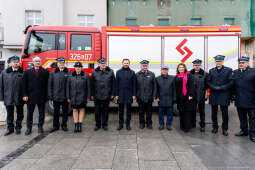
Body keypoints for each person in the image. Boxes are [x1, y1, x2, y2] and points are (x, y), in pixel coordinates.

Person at [22, 56, 49, 135]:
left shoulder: (45, 72)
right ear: (33, 62)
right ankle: (28, 128)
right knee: (30, 113)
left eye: (39, 61)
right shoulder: (27, 72)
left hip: (42, 96)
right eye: (36, 61)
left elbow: (47, 85)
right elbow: (24, 85)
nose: (37, 62)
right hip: (30, 97)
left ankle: (40, 127)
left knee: (41, 113)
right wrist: (24, 95)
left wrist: (47, 95)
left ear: (41, 62)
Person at [207, 55, 233, 136]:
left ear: (223, 61)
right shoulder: (211, 71)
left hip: (224, 94)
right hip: (214, 94)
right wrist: (213, 87)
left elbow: (231, 82)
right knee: (213, 113)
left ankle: (225, 129)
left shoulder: (228, 70)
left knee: (224, 113)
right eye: (217, 61)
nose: (218, 63)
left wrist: (222, 87)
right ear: (215, 62)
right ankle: (215, 127)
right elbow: (208, 81)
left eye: (220, 61)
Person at [232, 57, 255, 142]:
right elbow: (233, 86)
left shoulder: (253, 71)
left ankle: (253, 134)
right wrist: (232, 96)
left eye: (243, 63)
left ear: (247, 63)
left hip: (251, 100)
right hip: (239, 99)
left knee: (252, 118)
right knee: (242, 117)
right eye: (239, 63)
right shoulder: (235, 72)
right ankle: (244, 131)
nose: (241, 64)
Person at [0, 56, 24, 136]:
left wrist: (25, 95)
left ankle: (18, 128)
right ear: (10, 63)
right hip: (8, 96)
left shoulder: (23, 72)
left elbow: (25, 86)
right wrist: (1, 97)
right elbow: (1, 86)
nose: (15, 63)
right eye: (14, 62)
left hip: (19, 97)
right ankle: (10, 129)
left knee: (20, 114)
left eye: (17, 62)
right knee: (9, 114)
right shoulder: (4, 72)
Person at [91, 58, 115, 131]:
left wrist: (112, 94)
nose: (103, 65)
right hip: (97, 95)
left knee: (105, 111)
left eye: (104, 63)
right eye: (101, 63)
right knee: (97, 111)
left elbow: (113, 84)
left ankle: (105, 124)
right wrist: (92, 94)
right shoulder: (94, 72)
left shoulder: (110, 72)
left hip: (106, 95)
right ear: (99, 64)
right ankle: (97, 125)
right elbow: (92, 84)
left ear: (106, 64)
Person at [48, 57, 71, 132]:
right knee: (56, 112)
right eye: (60, 63)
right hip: (56, 96)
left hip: (65, 96)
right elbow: (50, 85)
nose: (61, 64)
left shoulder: (68, 72)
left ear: (64, 64)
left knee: (65, 112)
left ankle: (64, 125)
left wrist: (69, 96)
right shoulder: (52, 72)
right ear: (57, 64)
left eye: (63, 63)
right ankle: (55, 126)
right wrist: (50, 95)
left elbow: (70, 85)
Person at [66, 62, 90, 133]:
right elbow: (68, 87)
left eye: (79, 67)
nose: (78, 68)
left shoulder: (86, 75)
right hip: (73, 96)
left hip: (82, 96)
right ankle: (76, 125)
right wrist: (68, 97)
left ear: (81, 68)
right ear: (74, 68)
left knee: (82, 110)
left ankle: (80, 125)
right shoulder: (70, 76)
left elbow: (88, 87)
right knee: (75, 110)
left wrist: (88, 96)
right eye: (76, 67)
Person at [175, 63, 196, 133]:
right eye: (180, 67)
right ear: (178, 69)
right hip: (180, 97)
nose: (181, 68)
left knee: (187, 112)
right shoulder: (176, 77)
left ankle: (187, 127)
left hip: (188, 97)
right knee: (181, 112)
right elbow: (176, 88)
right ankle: (182, 126)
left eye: (182, 67)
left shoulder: (189, 75)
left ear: (184, 68)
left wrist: (191, 95)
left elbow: (192, 86)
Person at [115, 59, 136, 131]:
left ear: (129, 64)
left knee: (129, 111)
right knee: (120, 110)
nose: (126, 64)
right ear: (122, 63)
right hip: (120, 94)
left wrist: (134, 94)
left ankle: (128, 124)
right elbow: (116, 84)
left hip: (129, 94)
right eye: (124, 63)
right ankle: (120, 124)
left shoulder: (132, 72)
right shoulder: (118, 72)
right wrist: (116, 94)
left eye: (127, 63)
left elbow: (134, 85)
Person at [136, 60, 156, 129]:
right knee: (141, 112)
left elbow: (154, 86)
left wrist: (154, 96)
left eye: (146, 66)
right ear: (141, 66)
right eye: (143, 66)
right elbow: (135, 86)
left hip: (149, 97)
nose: (145, 67)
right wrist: (136, 95)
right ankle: (142, 123)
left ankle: (149, 123)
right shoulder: (137, 74)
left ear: (148, 66)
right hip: (140, 97)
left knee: (149, 112)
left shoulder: (152, 74)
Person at [190, 59, 208, 132]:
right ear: (193, 66)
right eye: (195, 65)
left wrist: (207, 93)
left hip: (201, 95)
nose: (197, 66)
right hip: (192, 95)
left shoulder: (205, 74)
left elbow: (207, 85)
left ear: (200, 65)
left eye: (198, 65)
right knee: (192, 110)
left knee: (201, 111)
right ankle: (192, 123)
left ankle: (202, 125)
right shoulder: (189, 73)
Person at [155, 66, 176, 130]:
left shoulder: (172, 78)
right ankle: (161, 124)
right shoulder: (157, 78)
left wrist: (174, 98)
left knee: (170, 113)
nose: (164, 71)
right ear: (161, 70)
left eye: (166, 70)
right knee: (160, 113)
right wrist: (157, 97)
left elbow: (174, 89)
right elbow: (156, 89)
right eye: (163, 70)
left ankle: (168, 124)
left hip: (170, 99)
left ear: (167, 71)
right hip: (161, 99)